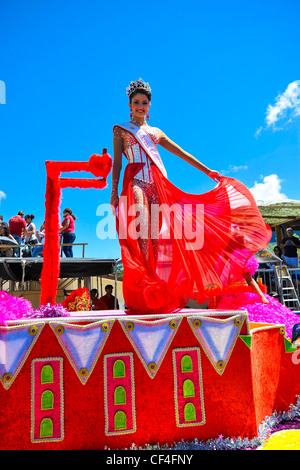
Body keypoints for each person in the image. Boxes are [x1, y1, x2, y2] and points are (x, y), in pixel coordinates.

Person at [110, 78, 271, 315]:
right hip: (136, 183)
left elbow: (182, 153)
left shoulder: (155, 132)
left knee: (155, 241)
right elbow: (117, 163)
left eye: (144, 102)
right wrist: (113, 193)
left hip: (159, 185)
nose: (140, 106)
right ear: (130, 105)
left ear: (149, 105)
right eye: (136, 102)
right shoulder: (121, 130)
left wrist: (208, 171)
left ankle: (154, 290)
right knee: (141, 232)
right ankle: (142, 290)